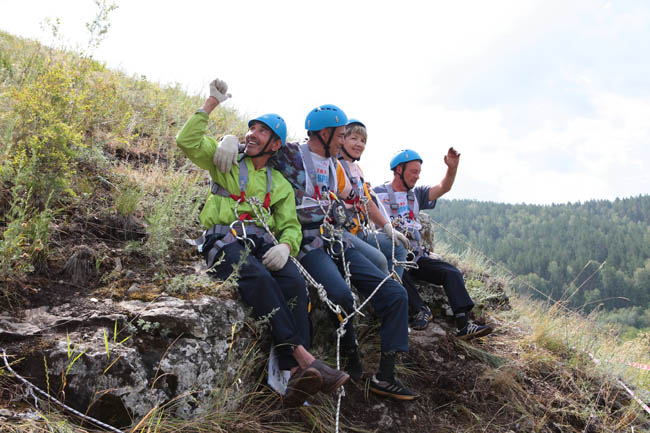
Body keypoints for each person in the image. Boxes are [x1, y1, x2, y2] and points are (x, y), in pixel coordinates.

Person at [215, 104, 418, 401]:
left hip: (336, 238)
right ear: (325, 133)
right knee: (340, 295)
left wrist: (384, 224)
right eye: (341, 134)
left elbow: (356, 194)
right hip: (307, 244)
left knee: (395, 294)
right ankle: (349, 349)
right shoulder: (291, 155)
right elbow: (258, 145)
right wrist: (228, 138)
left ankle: (385, 377)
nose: (344, 140)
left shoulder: (337, 165)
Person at [176, 79, 348, 408]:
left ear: (275, 144)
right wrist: (213, 104)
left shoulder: (278, 182)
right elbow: (186, 140)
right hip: (223, 240)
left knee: (295, 283)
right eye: (250, 128)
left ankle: (293, 376)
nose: (251, 134)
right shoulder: (226, 160)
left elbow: (290, 226)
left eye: (261, 131)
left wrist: (286, 246)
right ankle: (302, 361)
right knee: (258, 277)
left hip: (258, 242)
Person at [373, 148, 493, 340]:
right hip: (394, 254)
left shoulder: (417, 194)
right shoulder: (376, 193)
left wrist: (452, 168)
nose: (417, 177)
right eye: (413, 172)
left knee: (451, 273)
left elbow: (443, 187)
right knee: (395, 271)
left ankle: (464, 324)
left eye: (419, 172)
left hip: (416, 255)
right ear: (398, 170)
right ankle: (421, 310)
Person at [338, 119, 410, 281]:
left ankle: (393, 291)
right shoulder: (335, 166)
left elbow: (367, 202)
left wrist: (387, 227)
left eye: (363, 140)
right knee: (379, 259)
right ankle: (390, 295)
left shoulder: (357, 171)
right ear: (342, 139)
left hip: (359, 231)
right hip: (343, 232)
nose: (359, 144)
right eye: (354, 138)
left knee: (399, 248)